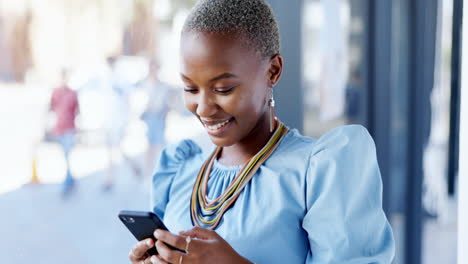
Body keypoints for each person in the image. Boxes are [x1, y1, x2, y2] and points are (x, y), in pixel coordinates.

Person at [129, 0, 395, 263]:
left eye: (223, 89)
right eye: (190, 89)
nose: (203, 108)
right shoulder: (180, 170)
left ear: (273, 71)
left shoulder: (318, 173)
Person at [48, 69, 79, 195]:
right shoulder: (55, 92)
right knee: (64, 155)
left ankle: (68, 181)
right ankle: (70, 178)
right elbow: (50, 108)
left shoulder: (73, 93)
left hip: (70, 128)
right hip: (59, 128)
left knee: (67, 154)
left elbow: (78, 110)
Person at [140, 60, 172, 178]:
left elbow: (167, 103)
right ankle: (147, 174)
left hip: (159, 118)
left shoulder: (163, 86)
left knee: (159, 146)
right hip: (148, 118)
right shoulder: (143, 83)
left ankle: (161, 173)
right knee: (149, 146)